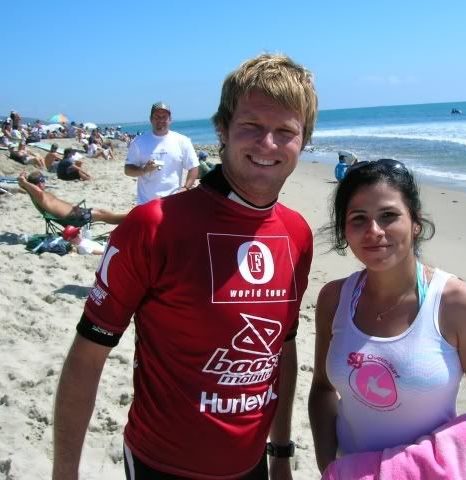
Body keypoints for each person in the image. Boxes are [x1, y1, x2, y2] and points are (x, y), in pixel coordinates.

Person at [52, 53, 319, 480]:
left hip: (253, 465)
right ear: (222, 129)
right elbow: (87, 357)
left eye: (285, 131)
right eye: (251, 125)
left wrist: (281, 451)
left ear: (302, 141)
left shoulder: (297, 234)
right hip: (162, 465)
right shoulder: (153, 227)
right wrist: (64, 474)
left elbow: (281, 349)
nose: (267, 144)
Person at [308, 159, 466, 474]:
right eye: (358, 219)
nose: (374, 231)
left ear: (415, 222)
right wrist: (329, 467)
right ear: (344, 230)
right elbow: (322, 388)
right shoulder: (334, 299)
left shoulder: (458, 304)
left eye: (388, 216)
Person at [124, 101, 199, 204]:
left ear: (170, 119)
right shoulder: (138, 142)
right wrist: (144, 170)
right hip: (146, 202)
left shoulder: (182, 141)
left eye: (164, 116)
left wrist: (186, 188)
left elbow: (194, 167)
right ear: (151, 119)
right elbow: (128, 170)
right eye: (157, 116)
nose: (161, 120)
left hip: (173, 202)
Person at [19, 171, 126, 224]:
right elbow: (37, 192)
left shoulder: (36, 194)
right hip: (73, 218)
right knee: (104, 214)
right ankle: (130, 219)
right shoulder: (39, 195)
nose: (44, 183)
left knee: (102, 212)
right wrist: (24, 182)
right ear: (38, 183)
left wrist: (24, 182)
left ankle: (128, 218)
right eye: (43, 181)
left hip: (74, 213)